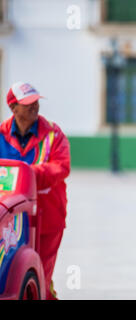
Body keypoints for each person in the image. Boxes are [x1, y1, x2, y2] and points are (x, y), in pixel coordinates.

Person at [0, 82, 71, 299]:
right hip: (10, 220)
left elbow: (62, 166)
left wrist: (27, 173)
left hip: (47, 218)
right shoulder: (1, 133)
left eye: (36, 102)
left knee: (42, 275)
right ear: (13, 108)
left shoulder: (53, 133)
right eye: (28, 103)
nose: (35, 107)